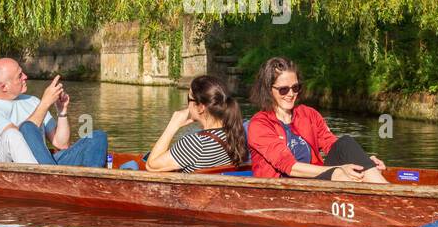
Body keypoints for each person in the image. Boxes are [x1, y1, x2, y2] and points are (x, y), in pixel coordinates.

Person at [246, 56, 387, 183]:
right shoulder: (259, 124)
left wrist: (364, 162)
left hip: (314, 180)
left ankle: (389, 193)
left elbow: (332, 144)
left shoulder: (308, 114)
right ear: (268, 90)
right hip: (281, 187)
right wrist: (338, 169)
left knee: (346, 143)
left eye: (295, 88)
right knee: (341, 174)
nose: (291, 94)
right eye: (283, 90)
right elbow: (289, 167)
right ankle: (390, 199)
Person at [0, 58, 108, 167]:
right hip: (21, 170)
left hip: (47, 163)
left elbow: (61, 144)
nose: (25, 76)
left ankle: (89, 185)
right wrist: (45, 103)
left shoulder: (32, 101)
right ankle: (54, 179)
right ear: (4, 87)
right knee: (27, 127)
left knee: (97, 136)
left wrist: (61, 111)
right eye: (19, 76)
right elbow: (19, 139)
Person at [145, 75, 246, 172]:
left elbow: (151, 166)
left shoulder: (196, 143)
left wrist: (172, 126)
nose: (187, 104)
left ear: (201, 107)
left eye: (189, 99)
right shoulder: (234, 133)